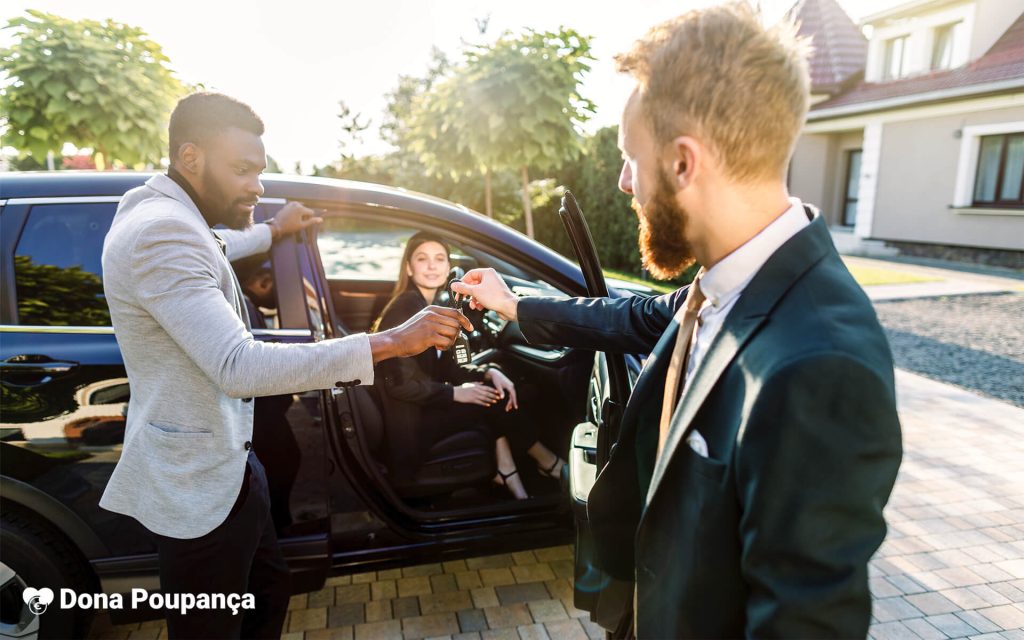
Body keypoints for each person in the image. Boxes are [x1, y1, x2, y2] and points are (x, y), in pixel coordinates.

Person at [453, 5, 903, 638]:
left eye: (630, 157)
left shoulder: (820, 363)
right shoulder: (729, 282)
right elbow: (637, 317)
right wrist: (516, 305)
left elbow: (804, 621)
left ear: (684, 162)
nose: (622, 182)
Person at [100, 92, 472, 640]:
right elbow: (237, 365)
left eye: (261, 171)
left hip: (231, 462)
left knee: (268, 593)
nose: (258, 185)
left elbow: (216, 243)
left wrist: (274, 231)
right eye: (243, 170)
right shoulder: (162, 231)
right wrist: (389, 341)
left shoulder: (169, 213)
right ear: (190, 157)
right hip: (199, 484)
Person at [373, 232, 566, 500]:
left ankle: (511, 473)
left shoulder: (428, 305)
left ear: (448, 267)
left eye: (439, 258)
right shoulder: (406, 306)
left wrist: (489, 371)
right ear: (408, 267)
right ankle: (548, 465)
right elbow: (399, 384)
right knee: (491, 399)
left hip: (421, 409)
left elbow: (446, 370)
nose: (432, 265)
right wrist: (456, 393)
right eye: (422, 258)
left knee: (489, 389)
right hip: (409, 427)